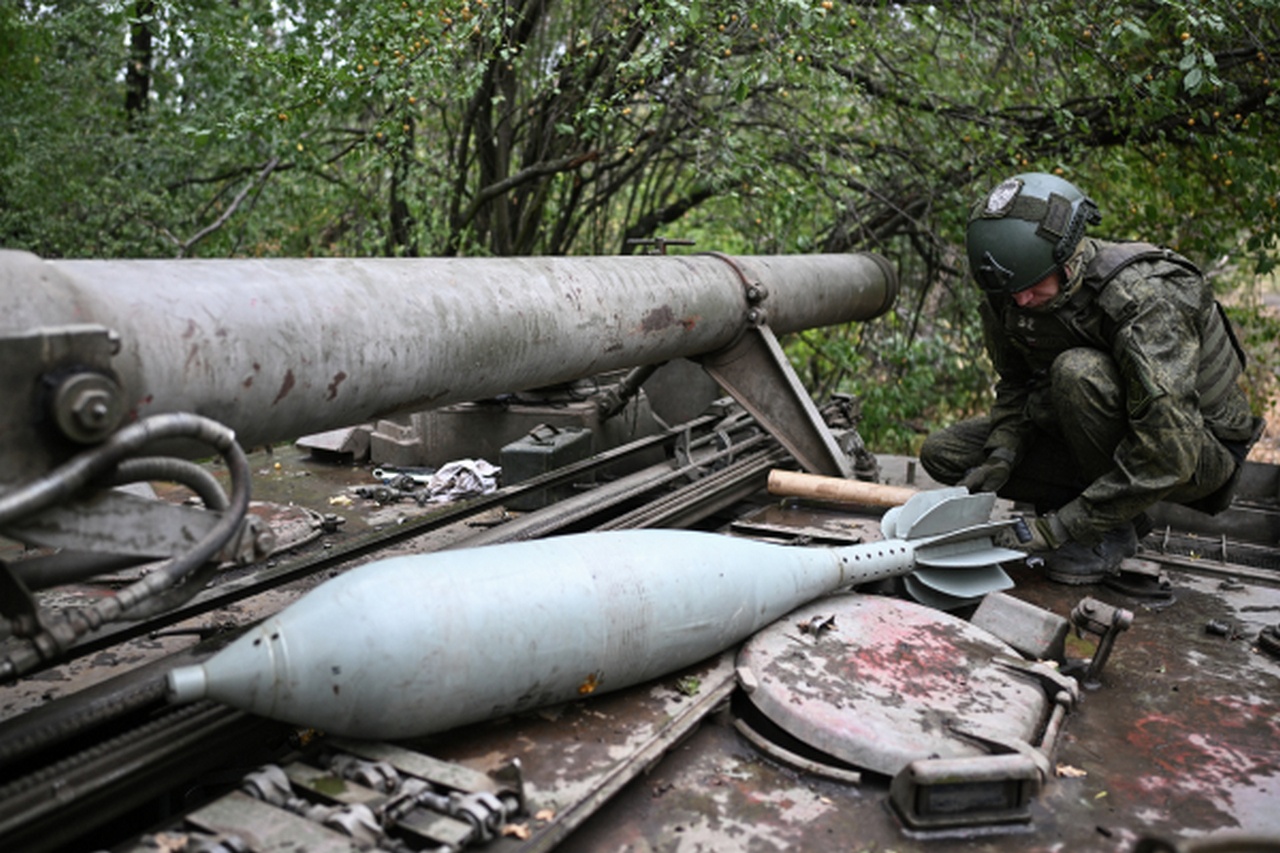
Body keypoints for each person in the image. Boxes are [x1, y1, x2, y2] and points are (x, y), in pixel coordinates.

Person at [920, 172, 1263, 584]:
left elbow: (1170, 453)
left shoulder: (1144, 299)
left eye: (1031, 287)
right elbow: (1017, 385)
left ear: (1067, 260)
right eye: (1011, 293)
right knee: (945, 454)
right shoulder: (1011, 292)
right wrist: (1002, 453)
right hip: (1101, 430)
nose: (1021, 301)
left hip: (1196, 452)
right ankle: (1101, 507)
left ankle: (1108, 528)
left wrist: (1060, 528)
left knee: (1077, 372)